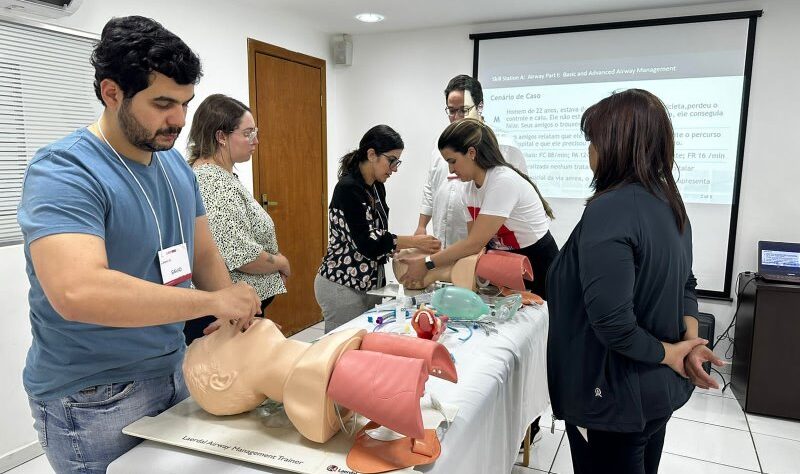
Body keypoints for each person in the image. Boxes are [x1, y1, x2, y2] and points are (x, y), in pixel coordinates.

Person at [16, 16, 261, 473]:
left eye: (186, 103)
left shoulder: (176, 168)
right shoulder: (65, 172)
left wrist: (229, 312)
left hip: (174, 369)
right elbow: (79, 292)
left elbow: (202, 253)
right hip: (94, 396)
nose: (179, 121)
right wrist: (209, 301)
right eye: (163, 103)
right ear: (112, 93)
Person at [546, 89, 724, 474]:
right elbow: (686, 287)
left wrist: (676, 352)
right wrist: (687, 344)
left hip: (612, 397)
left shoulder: (609, 210)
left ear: (613, 146)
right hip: (654, 392)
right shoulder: (669, 204)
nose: (589, 152)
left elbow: (612, 324)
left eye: (592, 141)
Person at [400, 118, 557, 299]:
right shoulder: (468, 188)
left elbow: (474, 243)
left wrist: (427, 264)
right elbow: (474, 247)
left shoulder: (502, 182)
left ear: (472, 153)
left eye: (453, 161)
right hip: (505, 263)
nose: (450, 170)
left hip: (538, 264)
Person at [183, 94, 289, 344]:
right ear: (221, 137)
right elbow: (240, 254)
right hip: (224, 315)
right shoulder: (212, 181)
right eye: (248, 134)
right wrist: (281, 262)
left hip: (234, 310)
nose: (256, 141)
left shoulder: (221, 176)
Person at [315, 125, 441, 333]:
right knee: (341, 350)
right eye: (391, 160)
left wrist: (398, 249)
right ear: (371, 154)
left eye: (397, 161)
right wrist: (414, 241)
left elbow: (377, 233)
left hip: (368, 284)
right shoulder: (348, 188)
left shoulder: (376, 186)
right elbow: (367, 242)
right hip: (342, 284)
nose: (395, 168)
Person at [415, 74, 529, 247]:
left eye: (463, 110)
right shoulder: (442, 144)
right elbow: (431, 187)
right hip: (443, 236)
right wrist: (421, 226)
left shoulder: (504, 146)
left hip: (482, 243)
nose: (456, 117)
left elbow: (517, 198)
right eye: (451, 111)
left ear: (480, 106)